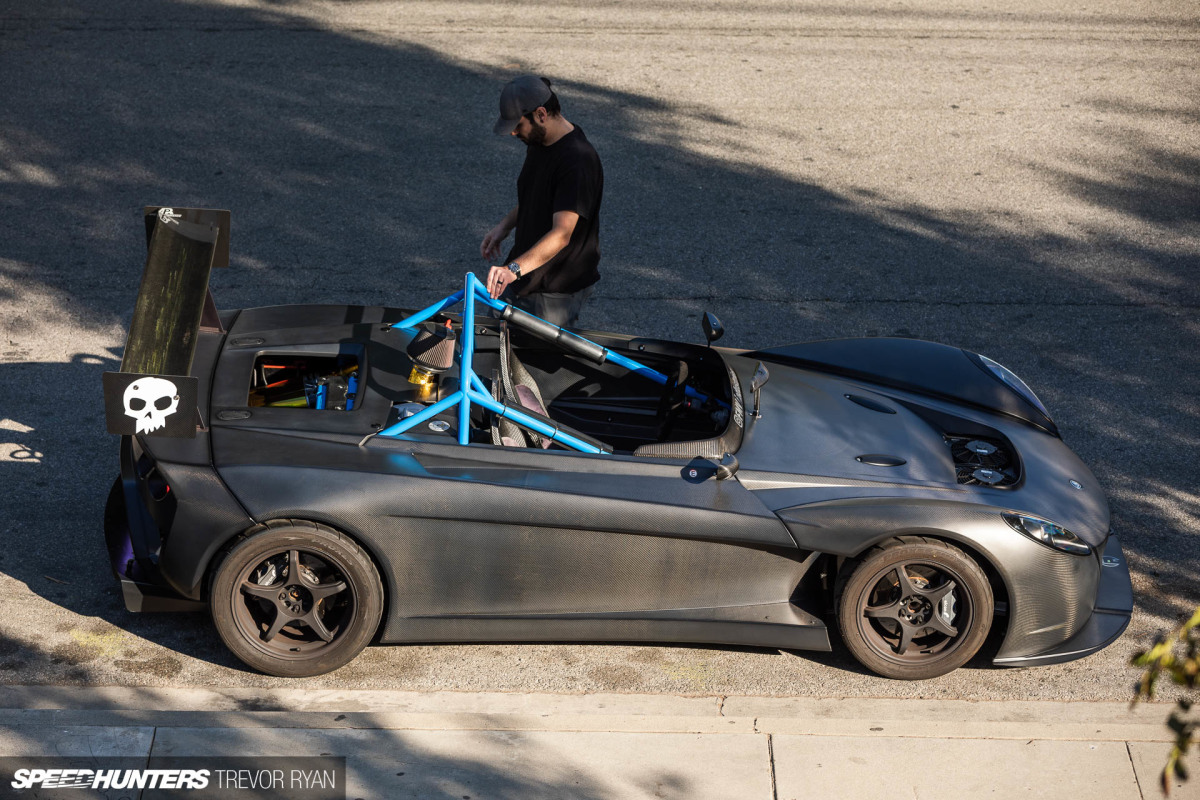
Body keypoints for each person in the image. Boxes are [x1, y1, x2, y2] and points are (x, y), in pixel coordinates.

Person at [481, 75, 603, 329]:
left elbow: (562, 234)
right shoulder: (539, 140)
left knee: (533, 365)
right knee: (496, 350)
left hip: (554, 290)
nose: (514, 132)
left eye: (518, 125)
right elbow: (536, 196)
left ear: (541, 114)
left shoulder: (577, 161)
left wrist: (512, 269)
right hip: (527, 273)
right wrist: (504, 226)